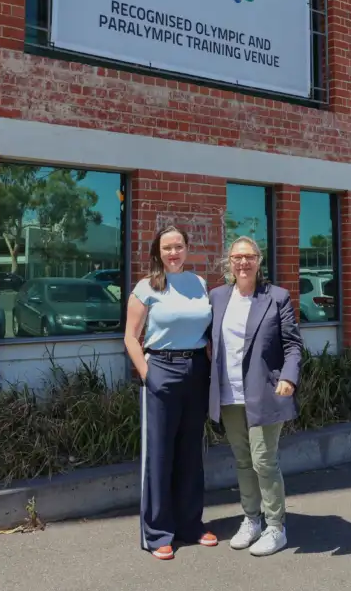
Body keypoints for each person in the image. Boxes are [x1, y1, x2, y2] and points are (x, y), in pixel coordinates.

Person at [124, 226, 218, 560]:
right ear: (158, 252)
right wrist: (148, 375)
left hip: (196, 372)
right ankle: (157, 532)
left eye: (178, 246)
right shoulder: (146, 286)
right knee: (160, 454)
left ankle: (191, 524)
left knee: (191, 451)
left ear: (187, 249)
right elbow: (130, 337)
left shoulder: (199, 283)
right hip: (162, 370)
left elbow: (205, 328)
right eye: (167, 248)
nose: (174, 253)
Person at [208, 236, 303, 557]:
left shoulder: (277, 297)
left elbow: (292, 345)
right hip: (229, 393)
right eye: (237, 257)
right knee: (243, 461)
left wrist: (289, 376)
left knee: (264, 460)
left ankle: (276, 527)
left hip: (264, 393)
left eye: (249, 257)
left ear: (259, 261)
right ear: (229, 263)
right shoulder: (218, 297)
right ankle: (252, 520)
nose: (243, 263)